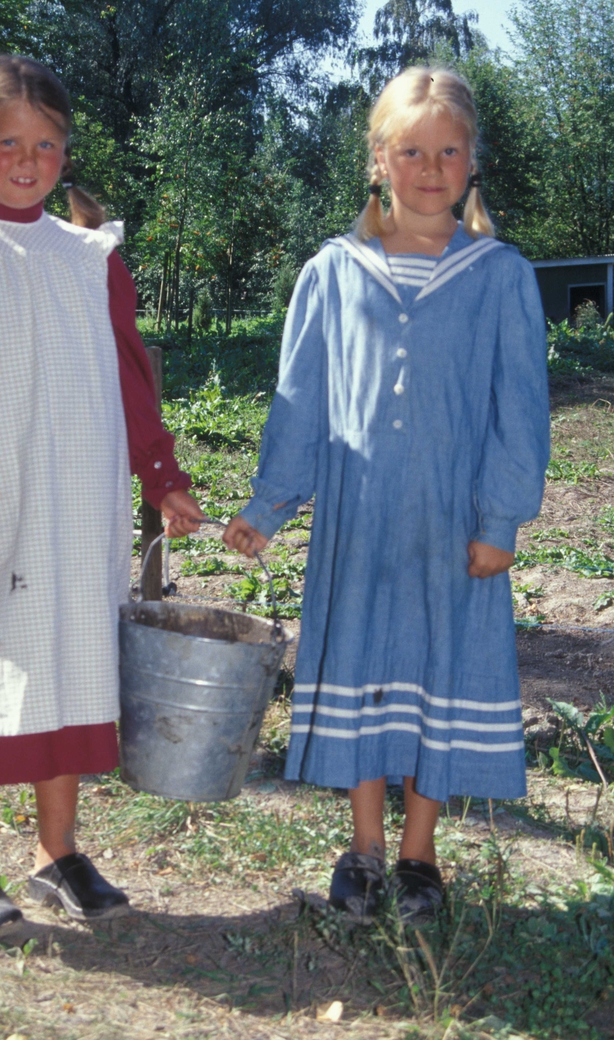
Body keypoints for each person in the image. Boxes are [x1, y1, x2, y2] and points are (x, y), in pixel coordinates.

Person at [0, 54, 202, 940]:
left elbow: (131, 380)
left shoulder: (89, 257)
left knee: (68, 664)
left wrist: (160, 475)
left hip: (75, 505)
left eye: (47, 143)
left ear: (66, 149)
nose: (28, 159)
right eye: (7, 140)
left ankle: (60, 853)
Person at [223, 67, 549, 925]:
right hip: (357, 523)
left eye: (447, 151)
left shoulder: (499, 276)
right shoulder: (333, 271)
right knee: (366, 672)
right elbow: (300, 400)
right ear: (378, 159)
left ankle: (417, 858)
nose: (430, 167)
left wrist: (499, 517)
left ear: (470, 159)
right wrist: (267, 505)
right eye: (411, 150)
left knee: (439, 674)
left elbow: (517, 409)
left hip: (453, 527)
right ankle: (363, 850)